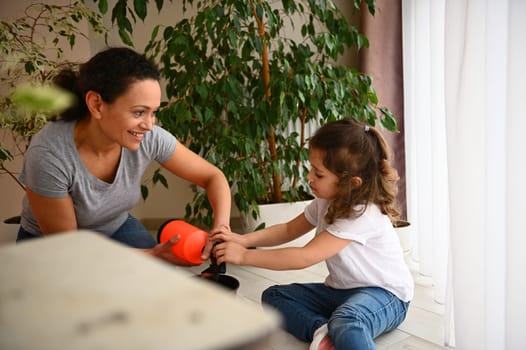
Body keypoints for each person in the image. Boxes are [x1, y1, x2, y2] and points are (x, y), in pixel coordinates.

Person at [210, 118, 413, 349]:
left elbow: (305, 256)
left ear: (352, 183)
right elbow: (288, 229)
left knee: (349, 320)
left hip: (386, 296)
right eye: (312, 170)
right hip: (340, 291)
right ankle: (324, 333)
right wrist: (243, 240)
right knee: (274, 296)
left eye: (319, 174)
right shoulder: (325, 201)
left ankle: (341, 329)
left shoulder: (362, 214)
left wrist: (244, 257)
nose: (310, 178)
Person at [16, 47, 231, 266]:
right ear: (96, 104)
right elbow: (71, 250)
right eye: (139, 112)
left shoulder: (147, 137)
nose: (149, 125)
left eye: (153, 112)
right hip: (54, 247)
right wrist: (151, 255)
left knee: (158, 280)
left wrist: (221, 229)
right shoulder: (49, 155)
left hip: (114, 226)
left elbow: (213, 177)